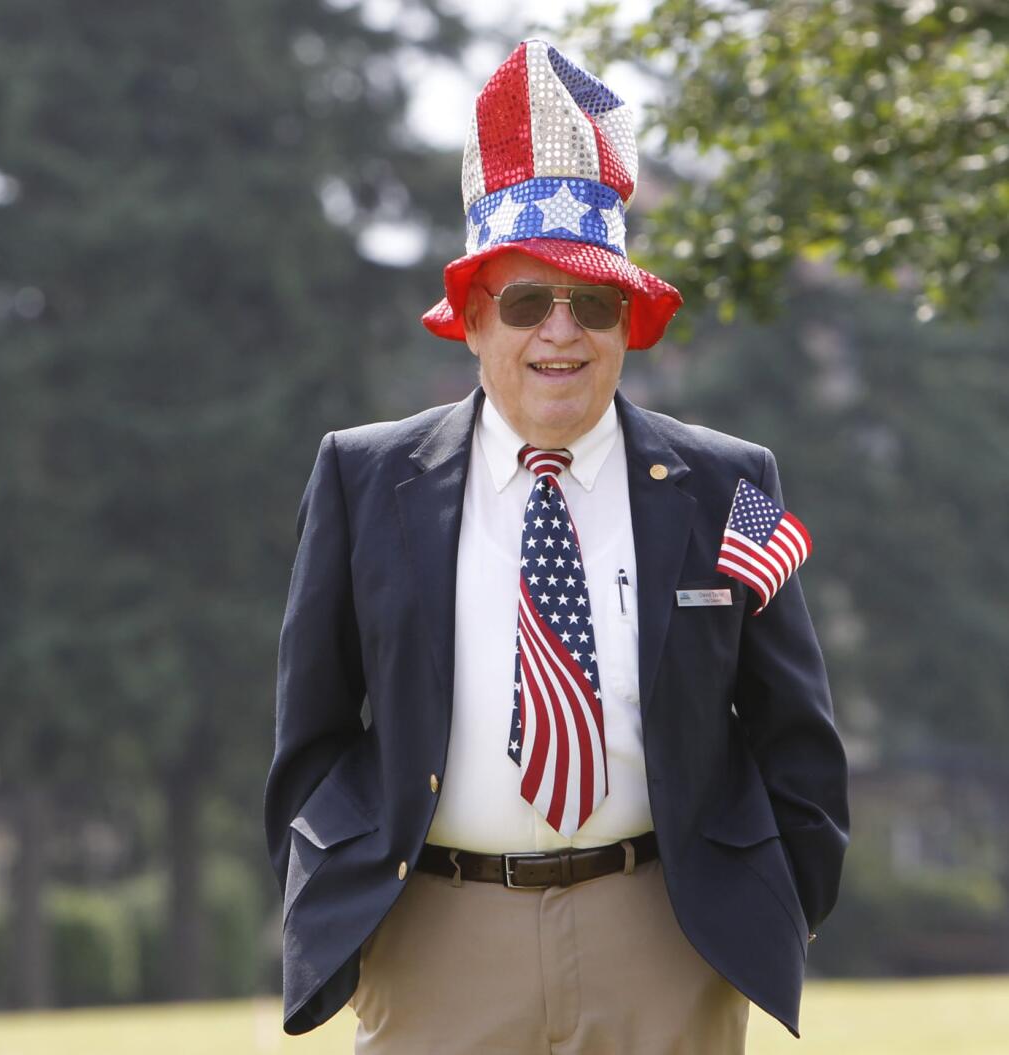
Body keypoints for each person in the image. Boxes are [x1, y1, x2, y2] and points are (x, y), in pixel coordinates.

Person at [264, 39, 848, 1054]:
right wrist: (350, 912)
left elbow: (793, 723)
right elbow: (310, 729)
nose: (560, 334)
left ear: (629, 322)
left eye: (594, 303)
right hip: (436, 934)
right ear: (475, 320)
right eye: (528, 301)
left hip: (667, 933)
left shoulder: (727, 484)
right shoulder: (363, 479)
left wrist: (774, 906)